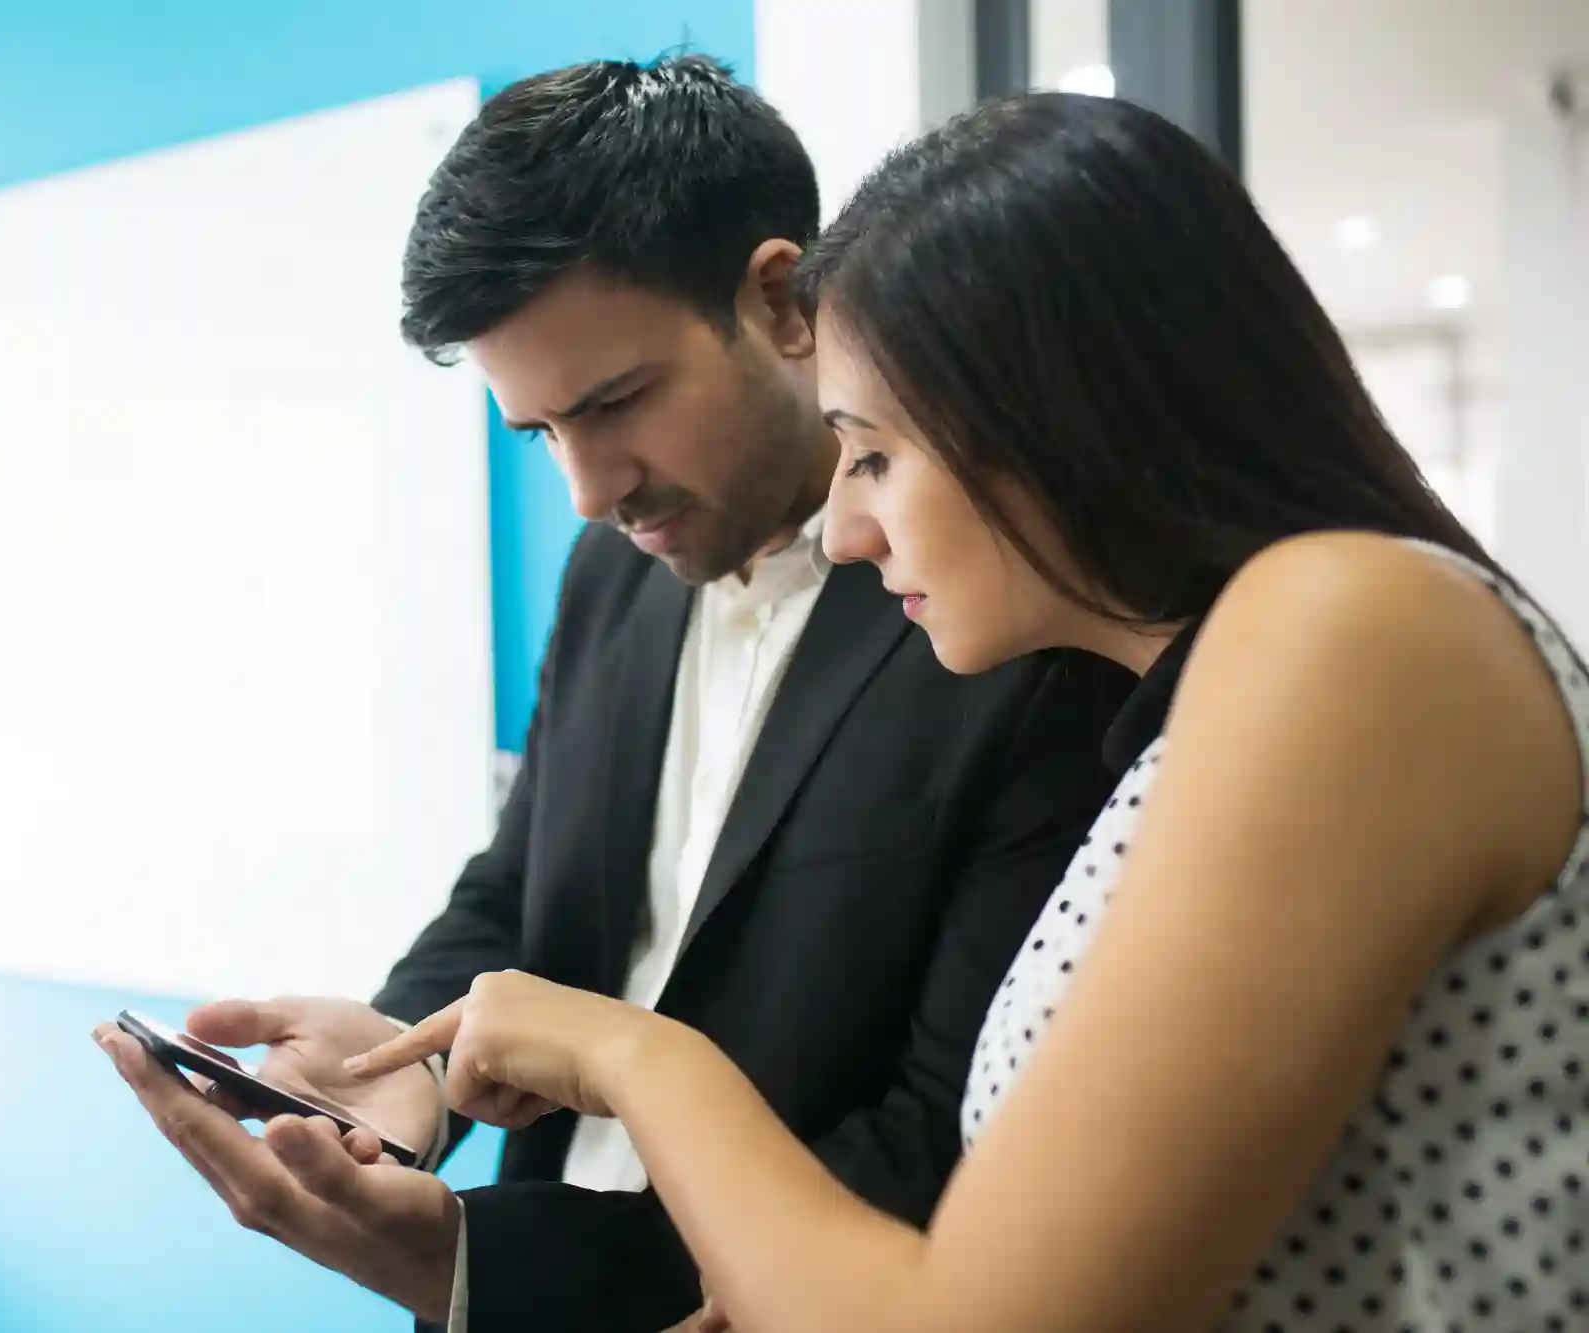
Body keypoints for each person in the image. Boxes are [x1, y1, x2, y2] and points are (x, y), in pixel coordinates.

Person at [343, 92, 1589, 1333]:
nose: (843, 526)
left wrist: (631, 1056)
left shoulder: (1347, 633)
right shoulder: (1250, 679)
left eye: (872, 453)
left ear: (1053, 413)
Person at [93, 57, 1132, 1332]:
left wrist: (484, 1263)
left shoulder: (1013, 626)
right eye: (539, 434)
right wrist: (391, 1063)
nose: (588, 490)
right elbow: (523, 884)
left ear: (776, 298)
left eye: (617, 402)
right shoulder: (610, 573)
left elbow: (940, 1151)